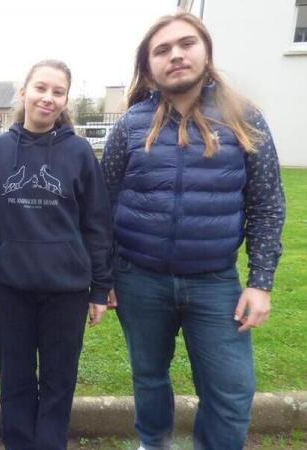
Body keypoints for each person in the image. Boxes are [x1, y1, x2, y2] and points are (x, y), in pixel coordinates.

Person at [102, 12, 286, 450]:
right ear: (149, 67)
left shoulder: (245, 119)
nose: (176, 55)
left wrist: (260, 283)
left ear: (206, 52)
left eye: (186, 44)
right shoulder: (131, 125)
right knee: (149, 377)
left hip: (215, 283)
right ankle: (154, 443)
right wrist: (103, 275)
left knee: (230, 389)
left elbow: (267, 203)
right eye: (162, 50)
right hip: (139, 280)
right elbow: (101, 204)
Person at [0, 60, 114, 450]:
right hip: (12, 288)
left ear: (66, 98)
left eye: (57, 92)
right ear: (24, 92)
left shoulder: (80, 152)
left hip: (67, 289)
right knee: (15, 378)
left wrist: (100, 287)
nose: (47, 98)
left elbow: (97, 224)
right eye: (40, 88)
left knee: (59, 379)